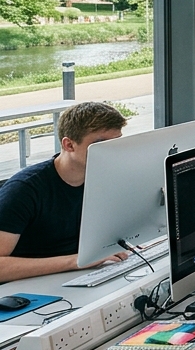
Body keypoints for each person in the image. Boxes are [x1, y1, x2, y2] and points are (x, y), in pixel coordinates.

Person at [0, 102, 129, 282]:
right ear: (69, 145)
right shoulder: (23, 190)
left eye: (117, 142)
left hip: (79, 275)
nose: (112, 152)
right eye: (100, 144)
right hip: (29, 285)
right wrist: (76, 261)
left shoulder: (105, 178)